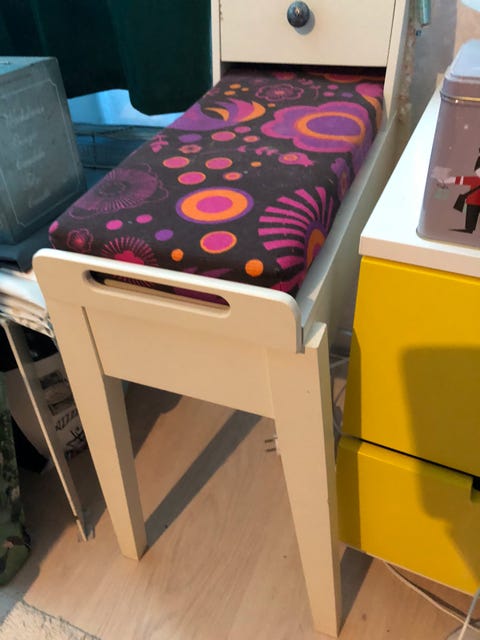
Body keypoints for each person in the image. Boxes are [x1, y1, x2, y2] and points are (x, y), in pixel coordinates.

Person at [442, 152, 480, 233]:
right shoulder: (474, 180)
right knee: (471, 218)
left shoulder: (474, 179)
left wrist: (446, 180)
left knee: (471, 216)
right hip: (472, 203)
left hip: (472, 202)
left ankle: (469, 228)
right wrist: (446, 180)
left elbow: (458, 180)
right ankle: (469, 228)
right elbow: (459, 180)